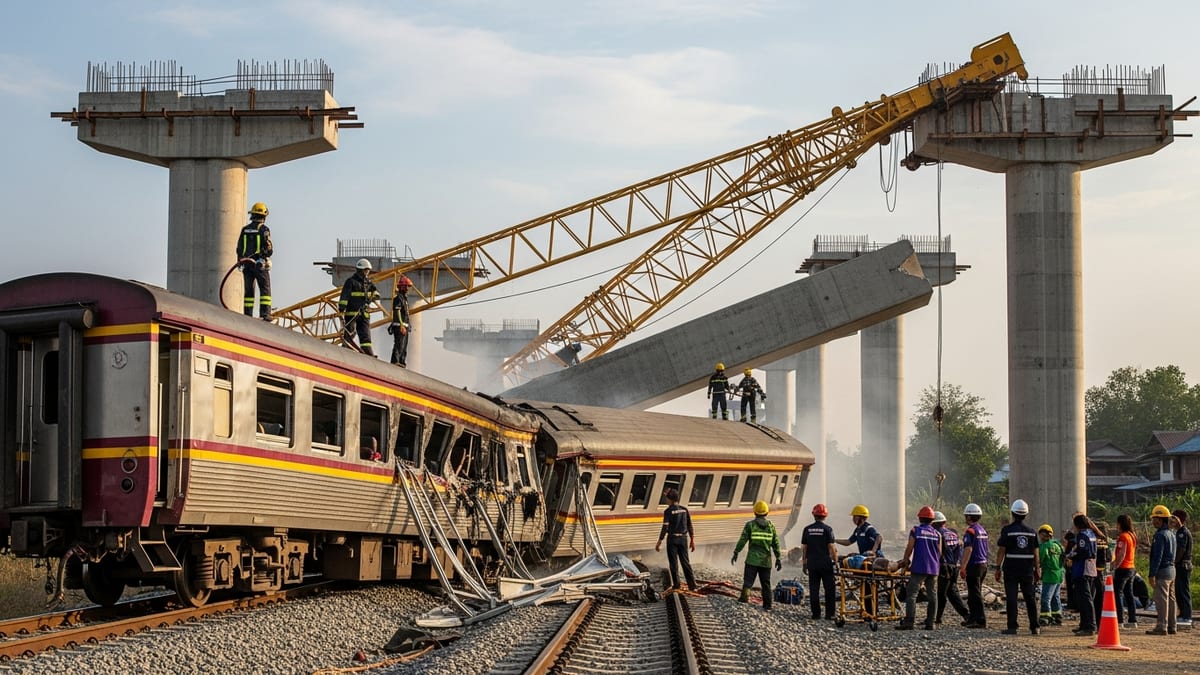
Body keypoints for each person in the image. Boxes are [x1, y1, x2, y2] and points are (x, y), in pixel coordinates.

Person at [995, 499, 1040, 635]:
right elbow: (1036, 553)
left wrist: (997, 568)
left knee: (1012, 598)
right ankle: (1034, 627)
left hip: (1011, 570)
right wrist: (1037, 569)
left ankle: (1012, 627)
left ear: (1013, 513)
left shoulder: (1007, 531)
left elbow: (1001, 550)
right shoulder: (1031, 532)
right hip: (1027, 570)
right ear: (1026, 514)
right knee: (1030, 598)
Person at [897, 505, 942, 631]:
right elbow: (939, 552)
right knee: (933, 595)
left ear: (920, 518)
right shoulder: (937, 534)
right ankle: (930, 623)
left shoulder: (915, 530)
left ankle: (909, 622)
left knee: (912, 594)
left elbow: (910, 547)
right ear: (932, 520)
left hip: (919, 567)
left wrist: (906, 561)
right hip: (933, 568)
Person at [732, 500, 783, 610]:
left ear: (755, 512)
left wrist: (736, 552)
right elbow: (776, 543)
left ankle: (744, 598)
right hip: (766, 560)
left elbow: (743, 540)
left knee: (748, 580)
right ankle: (768, 604)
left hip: (752, 559)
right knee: (766, 583)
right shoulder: (771, 526)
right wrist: (778, 558)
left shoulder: (750, 525)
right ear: (767, 513)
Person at [236, 202, 274, 321]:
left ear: (252, 215)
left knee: (249, 291)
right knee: (265, 288)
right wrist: (266, 256)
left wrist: (241, 260)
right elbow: (268, 249)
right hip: (259, 264)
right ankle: (265, 314)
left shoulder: (245, 229)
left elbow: (239, 247)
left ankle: (247, 314)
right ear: (264, 216)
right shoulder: (264, 229)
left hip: (246, 264)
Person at [931, 510, 969, 624]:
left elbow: (938, 552)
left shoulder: (937, 534)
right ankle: (966, 615)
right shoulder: (953, 533)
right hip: (955, 566)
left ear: (934, 523)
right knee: (952, 592)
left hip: (945, 567)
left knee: (941, 593)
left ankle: (935, 618)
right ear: (944, 522)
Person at [800, 503, 837, 620]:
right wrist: (836, 562)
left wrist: (804, 563)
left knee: (814, 589)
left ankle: (816, 614)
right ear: (825, 516)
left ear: (813, 515)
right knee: (829, 589)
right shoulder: (828, 529)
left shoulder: (807, 529)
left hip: (812, 563)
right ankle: (830, 614)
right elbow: (831, 547)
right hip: (825, 563)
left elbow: (804, 548)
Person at [655, 488, 696, 592]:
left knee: (673, 563)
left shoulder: (668, 511)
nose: (666, 500)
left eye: (667, 498)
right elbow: (689, 525)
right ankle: (692, 586)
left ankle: (676, 585)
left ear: (670, 499)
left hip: (672, 539)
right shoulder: (684, 509)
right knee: (685, 562)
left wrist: (659, 541)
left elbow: (665, 528)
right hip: (683, 538)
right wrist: (692, 540)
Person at [1146, 504, 1178, 635]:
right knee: (1171, 599)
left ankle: (1161, 626)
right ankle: (1172, 625)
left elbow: (1157, 557)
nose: (1153, 521)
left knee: (1161, 599)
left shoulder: (1160, 535)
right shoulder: (1171, 534)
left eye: (1154, 518)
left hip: (1162, 571)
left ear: (1159, 519)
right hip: (1171, 570)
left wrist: (1152, 574)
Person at [1066, 512, 1098, 636]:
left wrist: (1070, 555)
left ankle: (1090, 625)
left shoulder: (1082, 535)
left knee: (1085, 598)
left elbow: (1082, 551)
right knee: (1085, 597)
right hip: (1091, 567)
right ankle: (1084, 624)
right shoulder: (1091, 534)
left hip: (1082, 568)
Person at [339, 259, 380, 356]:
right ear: (360, 270)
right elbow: (344, 296)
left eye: (368, 270)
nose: (367, 272)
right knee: (350, 333)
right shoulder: (351, 282)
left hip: (364, 313)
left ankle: (367, 352)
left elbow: (377, 294)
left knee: (365, 335)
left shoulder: (368, 283)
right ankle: (346, 349)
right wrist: (342, 308)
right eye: (366, 270)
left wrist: (373, 295)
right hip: (352, 313)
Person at [959, 502, 989, 628]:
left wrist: (963, 566)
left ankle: (981, 619)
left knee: (975, 593)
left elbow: (968, 549)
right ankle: (972, 618)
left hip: (974, 565)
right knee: (973, 593)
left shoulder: (970, 531)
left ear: (969, 517)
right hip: (983, 564)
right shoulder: (982, 530)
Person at [1113, 514, 1138, 629]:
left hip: (1123, 568)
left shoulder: (1123, 537)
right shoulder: (1132, 535)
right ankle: (1133, 620)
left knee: (1117, 594)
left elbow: (1121, 554)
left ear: (1120, 524)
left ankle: (1119, 620)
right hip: (1131, 567)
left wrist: (1115, 565)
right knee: (1129, 594)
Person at [1037, 523, 1065, 626]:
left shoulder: (1044, 546)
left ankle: (1045, 617)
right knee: (1055, 596)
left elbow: (1040, 559)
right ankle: (1057, 616)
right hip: (1059, 574)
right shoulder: (1058, 545)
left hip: (1049, 574)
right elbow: (1063, 558)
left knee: (1046, 597)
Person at [1173, 509, 1193, 627]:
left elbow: (1181, 551)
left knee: (1183, 591)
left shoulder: (1182, 533)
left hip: (1183, 565)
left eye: (1174, 518)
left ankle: (1187, 616)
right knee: (1179, 591)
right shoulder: (1179, 532)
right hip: (1180, 565)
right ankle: (1182, 614)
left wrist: (1173, 562)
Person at [388, 275, 412, 367]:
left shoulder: (405, 299)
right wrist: (401, 325)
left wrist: (407, 325)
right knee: (399, 345)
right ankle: (395, 361)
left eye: (408, 286)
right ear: (401, 287)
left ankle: (402, 362)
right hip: (399, 326)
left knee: (404, 346)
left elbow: (406, 314)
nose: (407, 288)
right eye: (406, 286)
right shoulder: (398, 298)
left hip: (405, 326)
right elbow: (397, 311)